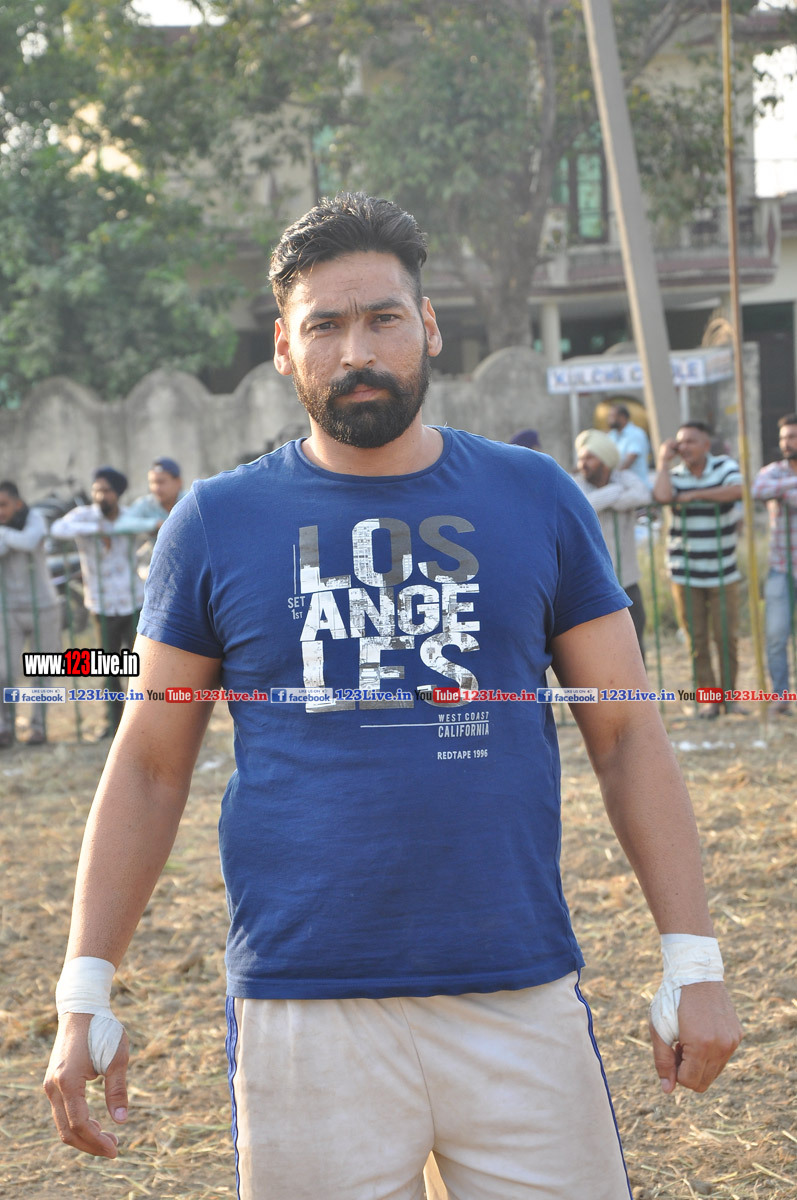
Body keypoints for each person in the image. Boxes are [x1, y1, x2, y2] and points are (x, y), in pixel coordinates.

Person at [45, 194, 741, 1200]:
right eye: (323, 325)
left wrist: (692, 961)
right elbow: (150, 767)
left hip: (516, 992)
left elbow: (626, 733)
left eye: (382, 318)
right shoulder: (215, 523)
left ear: (430, 327)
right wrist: (83, 990)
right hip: (304, 1009)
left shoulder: (535, 496)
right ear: (283, 348)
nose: (355, 351)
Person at [652, 422, 743, 718]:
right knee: (697, 641)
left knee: (726, 638)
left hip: (723, 571)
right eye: (680, 442)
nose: (684, 447)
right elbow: (662, 496)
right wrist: (663, 462)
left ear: (706, 445)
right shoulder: (674, 475)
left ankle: (730, 698)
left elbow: (739, 490)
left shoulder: (724, 466)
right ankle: (709, 700)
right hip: (685, 573)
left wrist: (693, 496)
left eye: (691, 441)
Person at [50, 468, 144, 737]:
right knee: (110, 667)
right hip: (101, 605)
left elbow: (147, 525)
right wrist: (96, 529)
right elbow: (58, 528)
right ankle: (113, 723)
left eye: (106, 490)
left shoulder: (129, 515)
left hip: (133, 601)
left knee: (140, 666)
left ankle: (141, 724)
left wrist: (116, 528)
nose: (100, 495)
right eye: (96, 490)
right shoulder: (84, 516)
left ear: (118, 493)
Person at [574, 430, 651, 659]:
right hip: (590, 586)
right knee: (594, 655)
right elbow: (583, 504)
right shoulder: (575, 484)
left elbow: (643, 495)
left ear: (605, 462)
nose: (582, 464)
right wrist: (615, 493)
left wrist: (606, 498)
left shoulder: (625, 478)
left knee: (634, 651)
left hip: (627, 581)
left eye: (589, 458)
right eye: (581, 458)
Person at [0, 481, 61, 747]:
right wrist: (10, 537)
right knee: (4, 671)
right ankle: (4, 727)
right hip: (8, 608)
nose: (0, 511)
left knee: (42, 670)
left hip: (44, 606)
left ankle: (38, 728)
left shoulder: (34, 517)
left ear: (18, 503)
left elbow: (29, 541)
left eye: (4, 505)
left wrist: (4, 534)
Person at [751, 412, 797, 713]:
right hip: (781, 566)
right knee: (776, 634)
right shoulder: (773, 471)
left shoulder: (780, 479)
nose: (786, 443)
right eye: (783, 438)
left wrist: (785, 490)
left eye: (792, 437)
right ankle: (781, 696)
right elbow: (758, 490)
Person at [114, 457, 188, 536]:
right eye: (152, 482)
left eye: (161, 482)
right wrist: (155, 524)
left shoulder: (190, 501)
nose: (156, 488)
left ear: (178, 482)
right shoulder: (147, 503)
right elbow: (120, 525)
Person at [607, 403, 651, 486]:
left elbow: (629, 460)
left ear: (622, 417)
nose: (609, 419)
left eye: (612, 416)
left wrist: (610, 478)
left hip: (637, 485)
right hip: (619, 485)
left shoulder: (636, 434)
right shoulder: (612, 435)